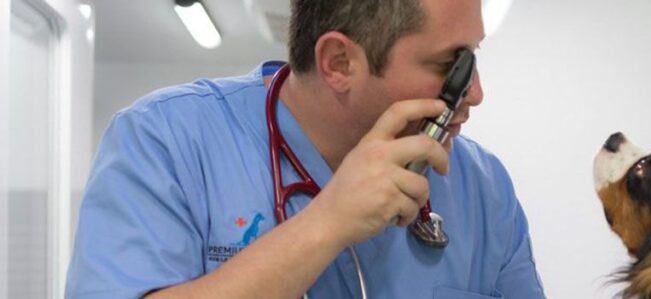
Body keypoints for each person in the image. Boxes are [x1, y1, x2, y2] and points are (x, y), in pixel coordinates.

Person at [65, 0, 545, 298]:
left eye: (473, 56)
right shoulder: (165, 142)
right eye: (450, 64)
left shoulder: (483, 190)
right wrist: (326, 225)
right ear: (339, 62)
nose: (475, 92)